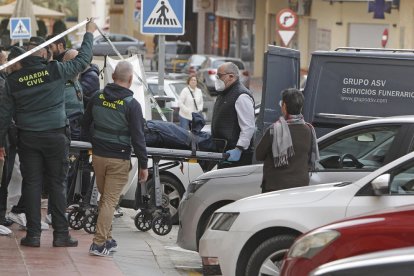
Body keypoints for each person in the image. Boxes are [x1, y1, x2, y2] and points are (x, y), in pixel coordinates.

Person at [0, 20, 97, 248]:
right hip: (55, 137)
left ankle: (33, 235)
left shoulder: (13, 81)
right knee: (57, 183)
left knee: (31, 184)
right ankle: (61, 234)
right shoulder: (55, 70)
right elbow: (83, 60)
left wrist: (1, 142)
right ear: (43, 56)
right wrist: (89, 34)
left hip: (28, 138)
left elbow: (4, 116)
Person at [82, 61, 148, 256]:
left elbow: (85, 124)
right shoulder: (132, 105)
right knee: (110, 201)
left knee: (105, 200)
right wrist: (144, 165)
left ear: (112, 78)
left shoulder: (97, 97)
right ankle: (98, 243)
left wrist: (95, 141)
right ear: (130, 79)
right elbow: (138, 138)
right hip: (119, 159)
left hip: (99, 157)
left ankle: (108, 239)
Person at [255, 88, 319, 193]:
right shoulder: (309, 130)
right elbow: (309, 159)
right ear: (301, 107)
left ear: (284, 106)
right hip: (300, 187)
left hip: (275, 187)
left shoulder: (274, 129)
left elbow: (259, 155)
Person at [211, 62, 255, 169]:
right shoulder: (224, 93)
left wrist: (239, 149)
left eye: (219, 76)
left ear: (231, 77)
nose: (217, 79)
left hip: (236, 155)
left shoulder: (241, 96)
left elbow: (248, 127)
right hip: (225, 153)